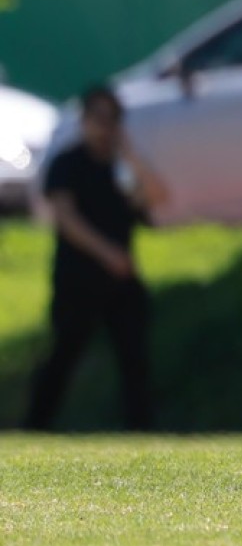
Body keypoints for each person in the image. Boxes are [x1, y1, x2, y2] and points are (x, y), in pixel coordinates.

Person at [25, 85, 168, 430]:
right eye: (98, 118)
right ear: (84, 120)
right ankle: (34, 427)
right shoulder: (67, 164)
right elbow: (66, 219)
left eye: (113, 119)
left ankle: (142, 432)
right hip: (78, 278)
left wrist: (131, 156)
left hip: (121, 280)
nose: (105, 127)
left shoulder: (122, 169)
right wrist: (108, 254)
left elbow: (158, 197)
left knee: (135, 359)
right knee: (64, 355)